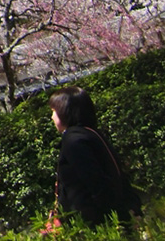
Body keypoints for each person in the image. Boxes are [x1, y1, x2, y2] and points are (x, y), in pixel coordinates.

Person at [48, 86, 142, 227]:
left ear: (65, 111)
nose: (52, 117)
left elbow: (95, 181)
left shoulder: (73, 140)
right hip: (112, 216)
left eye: (53, 111)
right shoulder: (91, 134)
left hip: (94, 222)